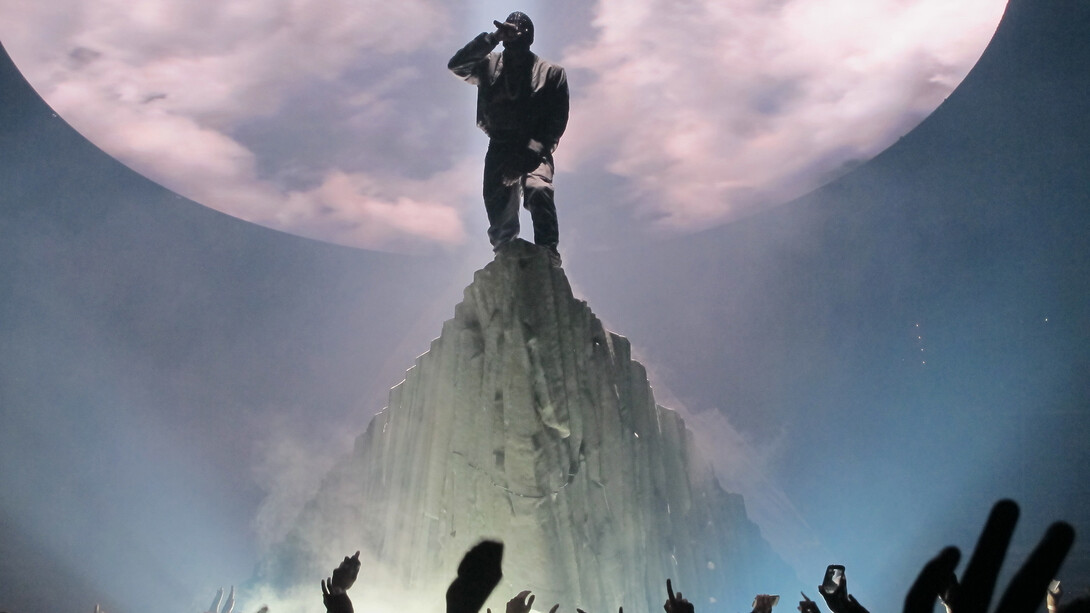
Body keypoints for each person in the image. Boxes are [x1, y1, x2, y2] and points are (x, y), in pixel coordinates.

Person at [448, 11, 570, 266]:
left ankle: (548, 252)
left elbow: (555, 122)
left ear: (530, 38)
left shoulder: (552, 73)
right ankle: (505, 256)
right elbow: (457, 66)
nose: (514, 38)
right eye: (509, 33)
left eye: (520, 32)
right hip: (500, 144)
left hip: (534, 146)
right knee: (497, 202)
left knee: (538, 189)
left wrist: (528, 155)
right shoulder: (489, 64)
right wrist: (493, 37)